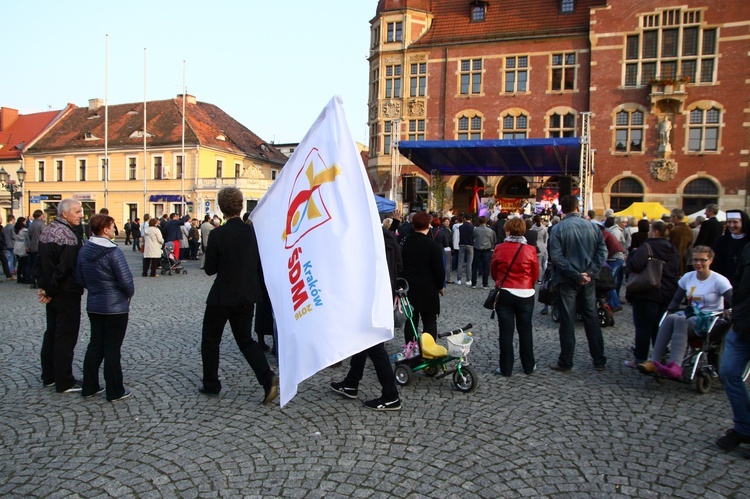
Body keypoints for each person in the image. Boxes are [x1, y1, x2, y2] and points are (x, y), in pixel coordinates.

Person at [199, 187, 279, 405]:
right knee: (245, 340)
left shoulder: (217, 234)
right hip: (246, 294)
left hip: (222, 295)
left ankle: (211, 383)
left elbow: (210, 269)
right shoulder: (254, 234)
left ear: (222, 208)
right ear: (241, 205)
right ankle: (267, 377)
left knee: (210, 340)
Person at [330, 219, 402, 411]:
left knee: (375, 347)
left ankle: (391, 395)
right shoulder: (388, 238)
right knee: (362, 341)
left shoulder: (370, 243)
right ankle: (351, 383)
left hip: (369, 299)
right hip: (380, 297)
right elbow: (398, 267)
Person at [638, 246, 732, 379]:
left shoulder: (719, 280)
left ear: (710, 260)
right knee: (671, 318)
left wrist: (728, 312)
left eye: (702, 260)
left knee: (681, 319)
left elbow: (734, 302)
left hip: (710, 320)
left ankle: (676, 365)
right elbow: (676, 300)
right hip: (691, 316)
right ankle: (654, 361)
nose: (698, 263)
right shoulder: (688, 277)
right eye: (695, 260)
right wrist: (669, 311)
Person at [75, 214, 134, 401]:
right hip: (115, 306)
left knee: (95, 344)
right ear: (106, 229)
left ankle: (89, 386)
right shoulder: (113, 252)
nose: (114, 229)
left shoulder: (84, 251)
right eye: (112, 225)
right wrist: (126, 294)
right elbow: (126, 282)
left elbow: (79, 277)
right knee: (112, 348)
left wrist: (94, 289)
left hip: (94, 304)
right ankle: (115, 390)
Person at [548, 194, 608, 372]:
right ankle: (599, 360)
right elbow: (602, 252)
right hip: (587, 279)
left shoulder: (558, 229)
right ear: (577, 207)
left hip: (567, 279)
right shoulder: (593, 227)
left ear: (562, 209)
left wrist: (576, 274)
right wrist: (588, 273)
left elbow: (556, 258)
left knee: (567, 320)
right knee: (591, 318)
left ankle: (566, 361)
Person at [37, 198, 85, 393]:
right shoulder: (68, 236)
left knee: (51, 333)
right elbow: (64, 269)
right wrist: (50, 290)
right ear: (65, 214)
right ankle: (64, 380)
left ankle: (48, 376)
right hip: (65, 293)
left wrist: (44, 288)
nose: (81, 215)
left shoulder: (47, 231)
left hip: (53, 292)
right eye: (77, 212)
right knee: (65, 337)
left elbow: (39, 263)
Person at [624, 220, 680, 367]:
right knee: (658, 326)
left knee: (643, 326)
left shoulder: (647, 246)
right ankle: (658, 356)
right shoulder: (672, 248)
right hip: (666, 291)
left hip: (647, 291)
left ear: (655, 232)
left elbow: (634, 265)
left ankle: (640, 358)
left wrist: (632, 254)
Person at [490, 217, 539, 376]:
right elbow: (535, 274)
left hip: (505, 292)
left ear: (507, 230)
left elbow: (494, 271)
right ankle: (528, 365)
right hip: (525, 292)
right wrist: (527, 284)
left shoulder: (500, 248)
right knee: (525, 330)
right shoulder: (530, 249)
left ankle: (506, 368)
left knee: (505, 332)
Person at [716, 243, 750, 457]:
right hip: (742, 324)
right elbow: (737, 282)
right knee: (728, 372)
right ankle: (744, 427)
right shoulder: (748, 248)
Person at [399, 211, 445, 344]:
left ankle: (411, 350)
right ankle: (428, 350)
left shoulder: (405, 242)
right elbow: (439, 271)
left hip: (409, 287)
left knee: (411, 320)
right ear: (428, 225)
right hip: (428, 288)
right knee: (429, 320)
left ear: (413, 225)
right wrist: (440, 286)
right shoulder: (433, 246)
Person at [711, 210, 750, 282]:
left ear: (743, 223)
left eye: (735, 222)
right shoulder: (721, 241)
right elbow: (715, 262)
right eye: (729, 222)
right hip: (724, 280)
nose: (731, 225)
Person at [471, 216, 496, 289]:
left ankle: (474, 283)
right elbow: (492, 240)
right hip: (486, 249)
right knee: (486, 267)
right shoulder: (490, 231)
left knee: (475, 267)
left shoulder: (475, 230)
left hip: (477, 248)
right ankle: (485, 283)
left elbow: (473, 238)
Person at [668, 208, 694, 275]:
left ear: (675, 217)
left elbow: (675, 248)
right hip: (685, 260)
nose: (670, 219)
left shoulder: (676, 231)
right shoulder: (689, 230)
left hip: (676, 262)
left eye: (671, 217)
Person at [27, 210, 45, 288]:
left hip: (32, 247)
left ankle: (32, 281)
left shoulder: (31, 225)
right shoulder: (41, 224)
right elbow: (45, 236)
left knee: (32, 265)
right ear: (40, 215)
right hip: (40, 247)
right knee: (40, 265)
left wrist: (28, 246)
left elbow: (28, 237)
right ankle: (39, 282)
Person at [457, 215, 474, 286]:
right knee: (469, 263)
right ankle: (468, 280)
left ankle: (459, 279)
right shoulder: (472, 227)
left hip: (462, 244)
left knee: (460, 262)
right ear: (471, 219)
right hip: (470, 245)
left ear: (464, 219)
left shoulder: (461, 227)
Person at [13, 217, 29, 284]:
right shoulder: (24, 230)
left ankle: (19, 277)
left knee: (20, 263)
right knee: (24, 263)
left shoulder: (15, 229)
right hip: (22, 246)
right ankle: (24, 277)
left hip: (16, 245)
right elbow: (27, 238)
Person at [0, 217, 13, 281]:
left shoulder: (2, 227)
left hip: (1, 247)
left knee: (5, 261)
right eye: (0, 218)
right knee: (5, 260)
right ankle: (8, 275)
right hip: (1, 246)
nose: (1, 219)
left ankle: (8, 275)